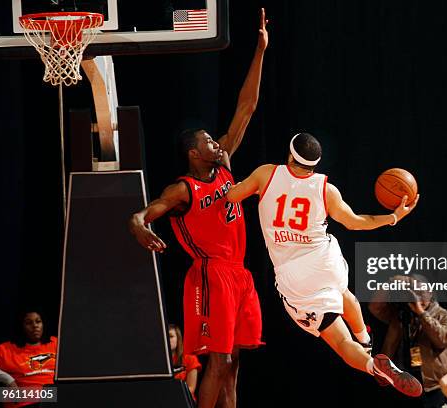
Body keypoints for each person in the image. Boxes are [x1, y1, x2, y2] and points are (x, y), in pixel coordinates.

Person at [129, 9, 268, 408]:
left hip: (239, 273)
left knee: (235, 361)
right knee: (219, 360)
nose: (217, 144)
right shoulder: (183, 188)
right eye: (209, 141)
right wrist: (137, 223)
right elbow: (147, 210)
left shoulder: (224, 167)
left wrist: (259, 50)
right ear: (194, 153)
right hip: (210, 274)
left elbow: (247, 108)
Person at [225, 132, 423, 397]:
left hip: (294, 274)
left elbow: (232, 197)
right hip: (325, 257)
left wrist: (233, 186)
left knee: (340, 341)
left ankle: (370, 365)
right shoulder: (325, 188)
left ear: (289, 153)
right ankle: (365, 340)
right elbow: (354, 222)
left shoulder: (266, 173)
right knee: (343, 294)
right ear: (316, 163)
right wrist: (393, 218)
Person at [368, 274, 447, 408]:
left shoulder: (446, 316)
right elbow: (375, 307)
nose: (417, 298)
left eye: (421, 293)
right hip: (404, 381)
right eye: (414, 293)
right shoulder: (401, 314)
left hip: (434, 386)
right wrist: (391, 282)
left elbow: (442, 339)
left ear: (430, 292)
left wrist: (421, 312)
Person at [0, 310, 57, 408]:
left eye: (38, 321)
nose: (35, 326)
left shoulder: (55, 343)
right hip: (23, 402)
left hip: (54, 397)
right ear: (21, 327)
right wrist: (8, 380)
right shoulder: (5, 349)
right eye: (29, 323)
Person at [169, 324, 201, 402]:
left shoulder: (190, 358)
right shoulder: (159, 360)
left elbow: (191, 388)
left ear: (178, 339)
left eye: (171, 336)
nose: (167, 339)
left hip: (184, 400)